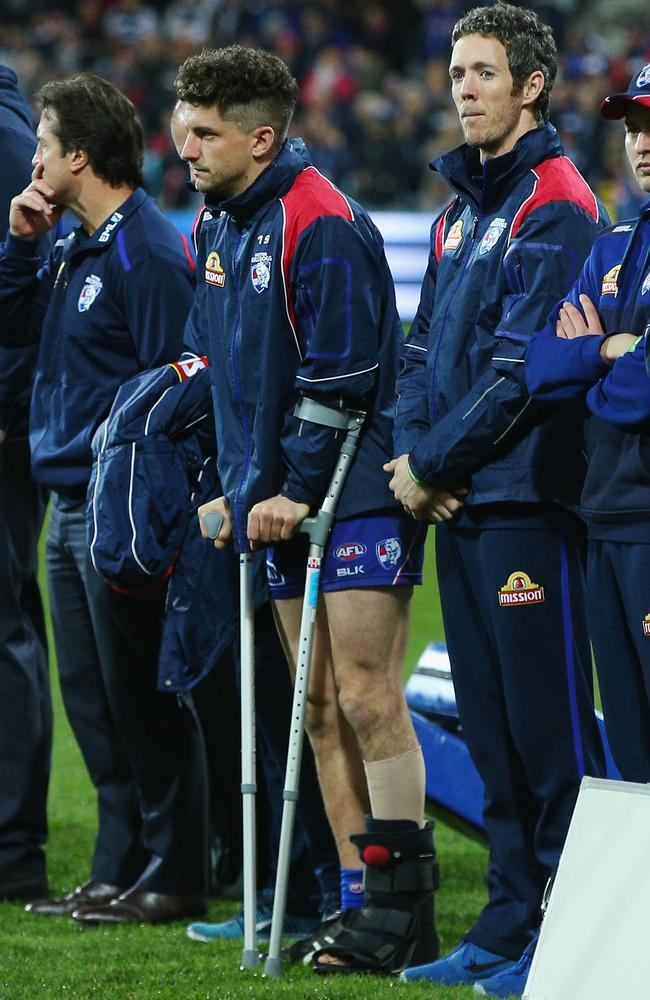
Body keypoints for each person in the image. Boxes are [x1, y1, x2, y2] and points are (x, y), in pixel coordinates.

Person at [176, 45, 438, 975]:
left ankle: (406, 909)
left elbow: (343, 373)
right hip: (271, 496)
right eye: (184, 128)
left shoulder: (320, 220)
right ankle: (357, 900)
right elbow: (213, 367)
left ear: (261, 134)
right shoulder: (215, 224)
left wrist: (291, 484)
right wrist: (223, 480)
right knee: (314, 704)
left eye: (205, 133)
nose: (187, 148)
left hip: (351, 488)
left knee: (367, 698)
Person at [388, 4, 607, 996]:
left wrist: (428, 461)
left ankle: (560, 935)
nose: (460, 88)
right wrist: (409, 455)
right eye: (454, 70)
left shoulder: (552, 204)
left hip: (525, 504)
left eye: (481, 72)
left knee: (542, 733)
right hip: (460, 503)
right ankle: (506, 915)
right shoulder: (456, 211)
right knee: (488, 726)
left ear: (528, 85)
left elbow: (523, 371)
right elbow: (422, 348)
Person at [0, 73, 207, 925]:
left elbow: (180, 382)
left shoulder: (145, 252)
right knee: (93, 697)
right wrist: (18, 243)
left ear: (77, 156)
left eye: (44, 144)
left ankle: (177, 867)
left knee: (142, 694)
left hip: (118, 506)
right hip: (65, 502)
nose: (33, 156)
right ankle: (117, 862)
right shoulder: (67, 242)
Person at [526, 68, 650, 788]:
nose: (641, 143)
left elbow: (638, 396)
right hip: (604, 517)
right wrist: (608, 351)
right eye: (633, 126)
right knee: (632, 752)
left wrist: (591, 369)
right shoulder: (615, 244)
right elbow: (542, 368)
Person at [0, 64, 52, 903]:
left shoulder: (8, 140)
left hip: (4, 428)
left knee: (4, 628)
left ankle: (11, 849)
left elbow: (27, 288)